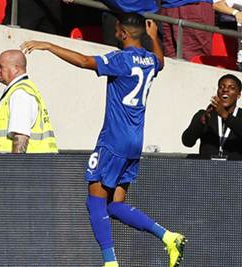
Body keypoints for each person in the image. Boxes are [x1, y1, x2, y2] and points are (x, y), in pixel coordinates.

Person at [22, 13, 185, 267]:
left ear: (123, 33)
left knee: (95, 201)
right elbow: (161, 62)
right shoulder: (150, 61)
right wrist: (153, 38)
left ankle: (110, 263)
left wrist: (49, 46)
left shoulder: (120, 59)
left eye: (117, 29)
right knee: (114, 205)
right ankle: (168, 236)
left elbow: (85, 61)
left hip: (113, 140)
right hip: (135, 142)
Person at [0, 49, 58, 153]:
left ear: (16, 69)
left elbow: (21, 137)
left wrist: (15, 168)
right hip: (16, 165)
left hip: (18, 166)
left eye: (1, 66)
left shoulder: (20, 94)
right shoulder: (18, 91)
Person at [182, 74, 242, 160]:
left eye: (231, 88)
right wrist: (201, 122)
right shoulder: (205, 114)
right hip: (207, 171)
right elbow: (187, 142)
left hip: (236, 171)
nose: (225, 90)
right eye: (221, 87)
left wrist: (225, 116)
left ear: (238, 94)